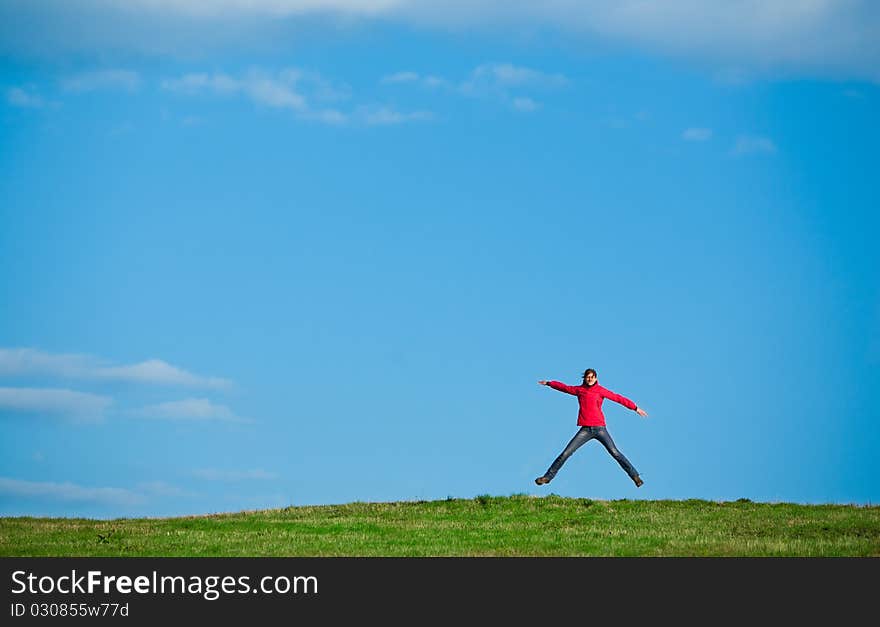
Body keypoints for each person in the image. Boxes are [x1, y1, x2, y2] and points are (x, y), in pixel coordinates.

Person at [534, 368, 648, 488]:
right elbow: (565, 388)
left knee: (615, 453)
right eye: (588, 377)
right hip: (585, 430)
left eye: (592, 377)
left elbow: (618, 398)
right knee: (566, 453)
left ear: (596, 378)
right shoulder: (579, 390)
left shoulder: (600, 390)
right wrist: (549, 383)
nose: (590, 379)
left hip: (600, 429)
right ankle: (547, 477)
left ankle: (635, 476)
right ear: (585, 378)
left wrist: (635, 408)